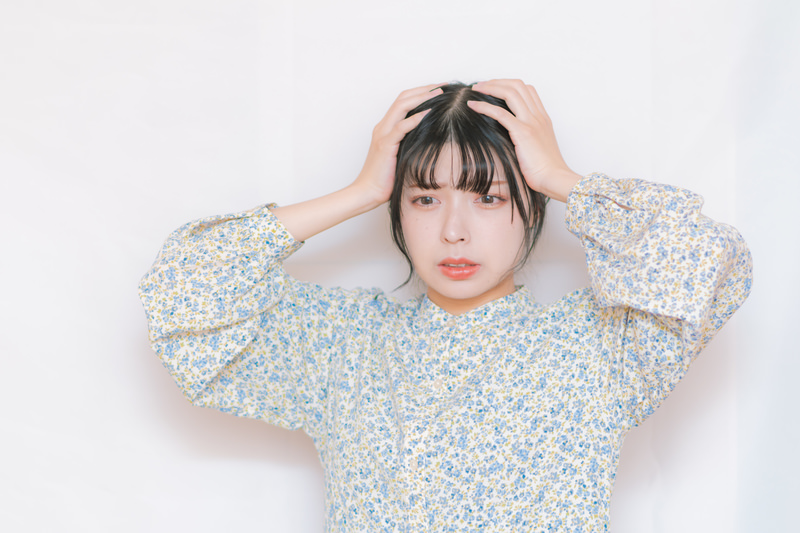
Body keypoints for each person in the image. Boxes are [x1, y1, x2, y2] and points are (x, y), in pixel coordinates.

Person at [138, 79, 752, 532]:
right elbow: (184, 287)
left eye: (489, 198)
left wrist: (559, 177)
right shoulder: (343, 343)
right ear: (397, 210)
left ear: (532, 208)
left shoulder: (599, 344)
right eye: (425, 199)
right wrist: (361, 190)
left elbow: (713, 258)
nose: (454, 232)